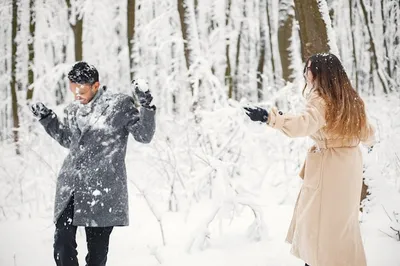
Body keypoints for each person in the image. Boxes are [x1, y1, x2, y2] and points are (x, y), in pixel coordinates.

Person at [245, 53, 375, 266]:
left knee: (319, 227)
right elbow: (368, 134)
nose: (305, 73)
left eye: (308, 69)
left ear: (320, 74)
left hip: (329, 170)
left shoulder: (322, 100)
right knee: (343, 227)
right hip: (350, 168)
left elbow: (304, 124)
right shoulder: (352, 100)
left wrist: (270, 118)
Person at [31, 62, 156, 266]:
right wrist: (48, 119)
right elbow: (68, 140)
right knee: (62, 243)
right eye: (72, 88)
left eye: (80, 89)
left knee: (97, 256)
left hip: (102, 191)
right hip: (71, 188)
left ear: (96, 85)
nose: (76, 94)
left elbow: (144, 135)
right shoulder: (73, 110)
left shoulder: (119, 105)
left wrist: (146, 106)